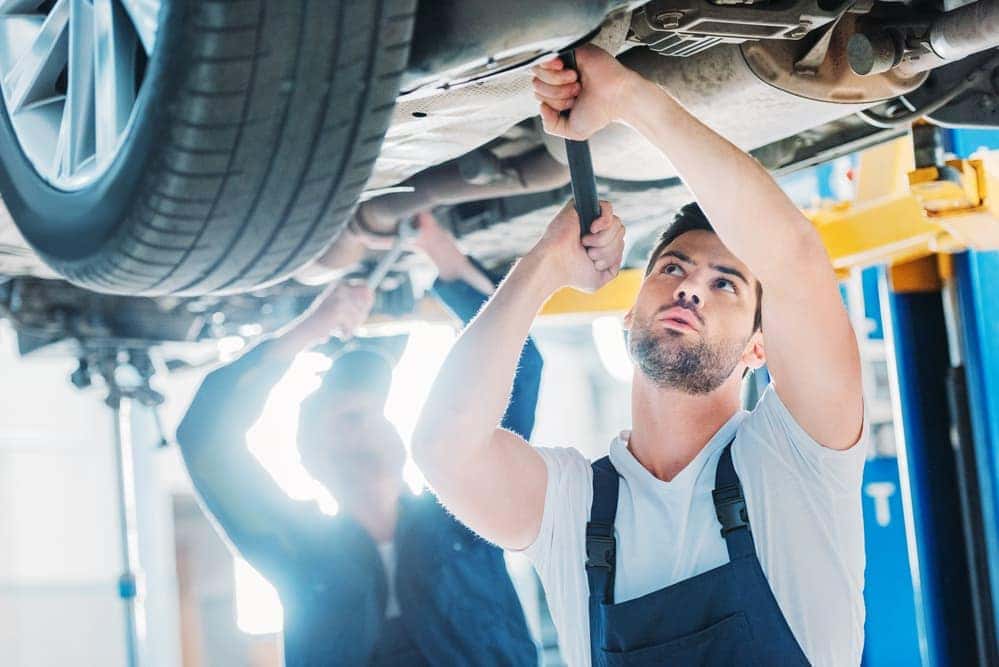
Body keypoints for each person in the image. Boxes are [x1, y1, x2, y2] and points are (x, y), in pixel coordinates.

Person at [412, 44, 866, 667]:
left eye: (725, 283)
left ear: (760, 348)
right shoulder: (575, 507)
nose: (688, 287)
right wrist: (544, 264)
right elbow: (445, 450)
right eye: (673, 268)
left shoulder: (799, 464)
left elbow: (793, 257)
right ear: (630, 314)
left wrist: (629, 98)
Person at [176, 215, 543, 666]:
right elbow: (205, 441)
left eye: (366, 414)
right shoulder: (294, 548)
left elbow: (517, 364)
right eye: (343, 418)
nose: (358, 430)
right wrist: (310, 328)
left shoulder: (467, 513)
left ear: (396, 434)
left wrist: (438, 250)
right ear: (309, 456)